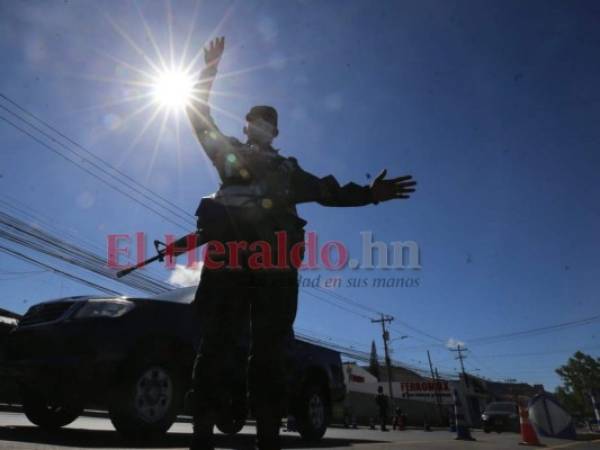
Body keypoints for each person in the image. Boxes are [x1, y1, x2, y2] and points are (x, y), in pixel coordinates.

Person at [186, 36, 417, 450]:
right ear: (245, 125)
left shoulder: (288, 171)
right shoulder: (227, 154)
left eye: (267, 122)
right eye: (254, 119)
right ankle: (201, 437)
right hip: (228, 259)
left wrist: (370, 193)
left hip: (275, 265)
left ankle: (269, 438)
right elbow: (197, 113)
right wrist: (209, 70)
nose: (260, 126)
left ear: (275, 131)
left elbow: (331, 192)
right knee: (217, 344)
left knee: (271, 351)